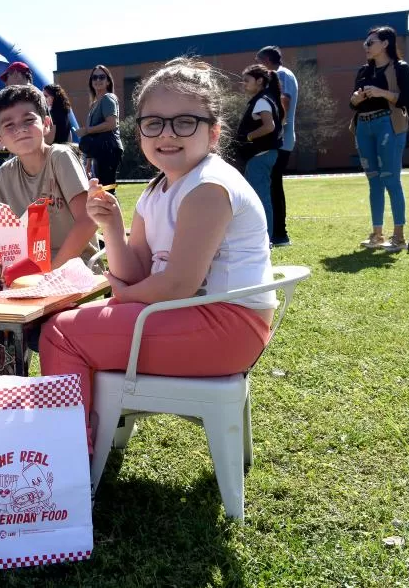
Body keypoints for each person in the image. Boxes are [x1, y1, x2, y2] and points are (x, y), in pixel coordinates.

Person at [40, 57, 277, 450]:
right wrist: (112, 228)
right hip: (187, 315)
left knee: (61, 333)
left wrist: (123, 296)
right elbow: (136, 274)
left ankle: (67, 461)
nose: (168, 134)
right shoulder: (157, 189)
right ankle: (83, 439)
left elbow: (177, 285)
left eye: (185, 121)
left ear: (213, 132)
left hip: (228, 328)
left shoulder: (208, 188)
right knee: (70, 325)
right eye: (154, 123)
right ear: (140, 133)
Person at [0, 84, 99, 363]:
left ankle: (12, 377)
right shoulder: (6, 173)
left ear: (46, 123)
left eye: (28, 120)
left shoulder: (60, 158)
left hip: (73, 268)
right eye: (9, 125)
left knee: (19, 326)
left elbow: (88, 220)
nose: (20, 129)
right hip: (25, 271)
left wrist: (51, 272)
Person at [350, 26, 409, 253]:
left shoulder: (400, 68)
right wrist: (356, 99)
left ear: (385, 44)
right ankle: (377, 234)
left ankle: (398, 236)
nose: (366, 47)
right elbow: (352, 103)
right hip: (363, 126)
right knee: (374, 181)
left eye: (370, 43)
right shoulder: (363, 71)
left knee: (391, 179)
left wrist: (383, 93)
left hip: (388, 124)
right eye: (365, 44)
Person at [236, 64, 284, 242]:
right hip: (263, 155)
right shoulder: (266, 98)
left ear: (260, 80)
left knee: (261, 198)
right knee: (261, 196)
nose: (243, 84)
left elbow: (269, 126)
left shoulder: (262, 100)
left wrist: (248, 137)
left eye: (247, 80)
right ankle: (263, 238)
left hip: (260, 155)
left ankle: (265, 240)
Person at [256, 46, 298, 246]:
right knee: (272, 185)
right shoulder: (281, 74)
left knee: (273, 186)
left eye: (259, 63)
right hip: (279, 140)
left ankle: (279, 234)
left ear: (266, 60)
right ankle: (276, 233)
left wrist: (273, 130)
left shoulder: (281, 75)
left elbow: (285, 102)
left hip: (280, 141)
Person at [0, 61, 34, 198]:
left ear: (17, 74)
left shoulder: (33, 96)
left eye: (7, 78)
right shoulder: (20, 97)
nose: (6, 84)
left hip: (31, 158)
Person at [76, 65, 124, 187]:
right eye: (94, 78)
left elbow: (112, 124)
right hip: (99, 151)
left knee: (107, 189)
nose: (98, 80)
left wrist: (87, 130)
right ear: (91, 82)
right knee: (102, 189)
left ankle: (113, 206)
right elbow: (94, 137)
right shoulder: (94, 104)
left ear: (108, 81)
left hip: (109, 149)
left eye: (102, 77)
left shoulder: (108, 99)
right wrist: (88, 165)